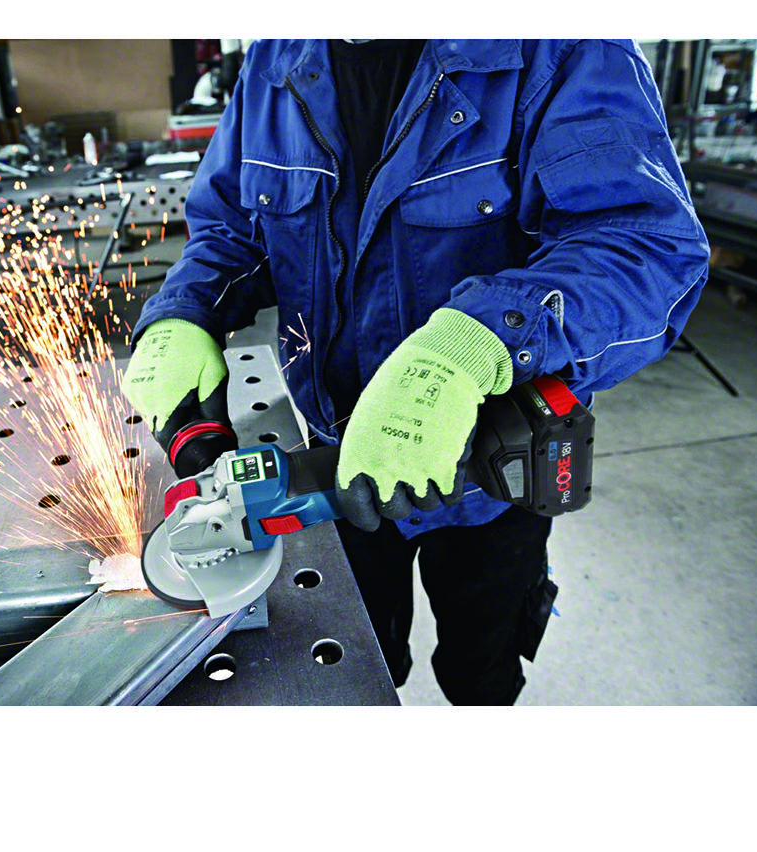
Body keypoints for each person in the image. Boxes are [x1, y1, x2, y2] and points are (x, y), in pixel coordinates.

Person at [122, 39, 710, 705]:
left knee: (481, 674)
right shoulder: (273, 58)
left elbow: (646, 247)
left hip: (491, 475)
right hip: (336, 459)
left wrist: (467, 350)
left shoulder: (562, 43)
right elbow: (232, 228)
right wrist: (184, 310)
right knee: (360, 668)